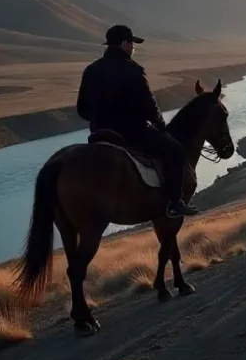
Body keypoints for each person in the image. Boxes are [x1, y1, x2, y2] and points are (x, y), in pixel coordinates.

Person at [77, 24, 199, 219]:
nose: (134, 48)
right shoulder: (133, 70)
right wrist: (161, 125)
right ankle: (175, 203)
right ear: (125, 43)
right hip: (132, 133)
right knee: (175, 151)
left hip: (99, 132)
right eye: (133, 44)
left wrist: (101, 119)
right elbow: (149, 105)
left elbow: (82, 110)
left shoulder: (91, 70)